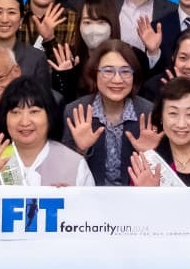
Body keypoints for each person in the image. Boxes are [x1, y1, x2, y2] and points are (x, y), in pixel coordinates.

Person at [0, 77, 96, 186]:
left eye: (34, 111)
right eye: (15, 112)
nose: (25, 122)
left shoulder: (73, 163)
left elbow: (88, 206)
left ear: (49, 115)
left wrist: (70, 200)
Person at [64, 40, 154, 186]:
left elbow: (163, 175)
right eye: (108, 71)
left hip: (135, 196)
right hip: (89, 196)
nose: (117, 79)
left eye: (125, 71)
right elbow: (65, 176)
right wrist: (81, 151)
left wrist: (150, 155)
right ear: (94, 74)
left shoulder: (148, 112)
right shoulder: (76, 111)